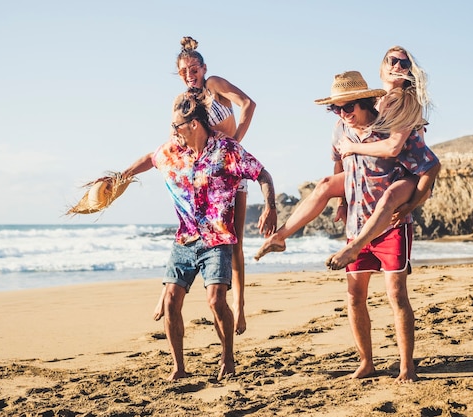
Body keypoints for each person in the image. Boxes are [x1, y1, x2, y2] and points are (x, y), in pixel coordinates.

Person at [121, 93, 276, 381]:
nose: (173, 131)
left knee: (216, 300)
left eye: (177, 126)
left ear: (193, 124)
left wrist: (271, 206)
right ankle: (179, 367)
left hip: (217, 240)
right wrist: (122, 176)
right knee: (170, 301)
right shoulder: (171, 152)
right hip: (185, 240)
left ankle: (228, 358)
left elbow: (262, 174)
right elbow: (149, 159)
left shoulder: (227, 150)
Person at [254, 46, 440, 264]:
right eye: (392, 61)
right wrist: (343, 201)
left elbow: (393, 148)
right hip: (376, 171)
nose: (398, 66)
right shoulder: (373, 106)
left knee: (388, 197)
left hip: (408, 175)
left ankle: (356, 248)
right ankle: (279, 237)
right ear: (382, 66)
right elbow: (343, 160)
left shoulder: (406, 101)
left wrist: (353, 147)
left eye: (404, 63)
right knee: (324, 184)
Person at [317, 70, 439, 383]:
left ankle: (406, 366)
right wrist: (342, 202)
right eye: (336, 108)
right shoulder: (340, 131)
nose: (343, 114)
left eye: (348, 107)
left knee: (396, 295)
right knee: (354, 296)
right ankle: (366, 362)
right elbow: (338, 165)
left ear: (367, 102)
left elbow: (428, 165)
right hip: (356, 226)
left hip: (392, 225)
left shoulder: (392, 129)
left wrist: (411, 205)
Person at [153, 36, 256, 336]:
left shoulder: (214, 85)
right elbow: (175, 141)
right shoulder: (184, 102)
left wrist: (235, 144)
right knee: (187, 233)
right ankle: (166, 293)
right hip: (203, 182)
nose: (189, 74)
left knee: (234, 240)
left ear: (203, 67)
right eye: (184, 71)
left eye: (193, 68)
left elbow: (249, 104)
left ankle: (240, 308)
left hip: (230, 175)